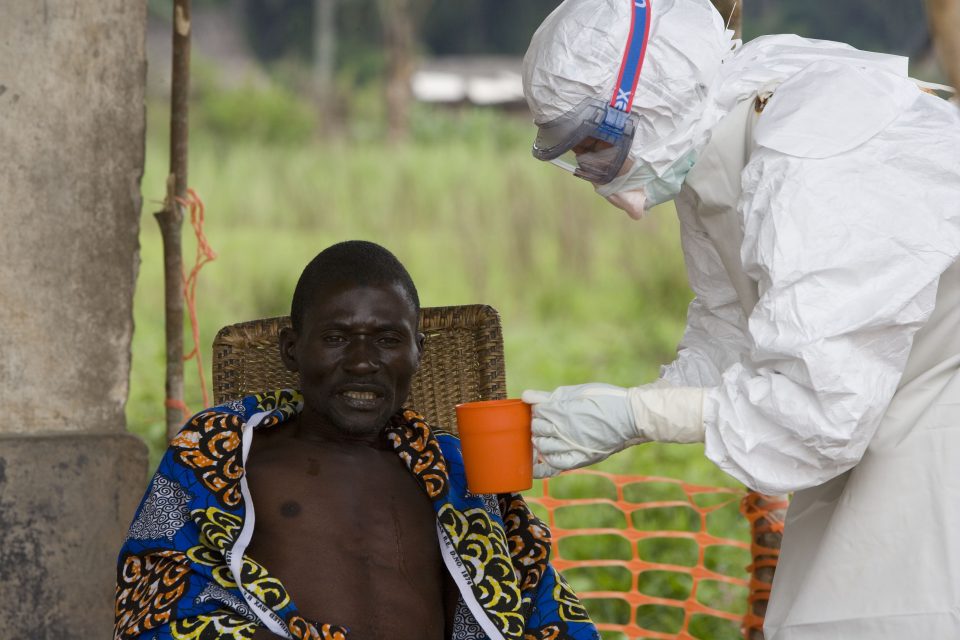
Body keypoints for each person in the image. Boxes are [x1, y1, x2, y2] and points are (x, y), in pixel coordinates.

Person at [520, 0, 960, 638]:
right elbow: (735, 335)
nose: (594, 174)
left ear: (648, 99)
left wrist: (636, 414)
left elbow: (819, 410)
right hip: (888, 426)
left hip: (931, 434)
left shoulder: (813, 153)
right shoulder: (725, 145)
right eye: (573, 154)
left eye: (596, 145)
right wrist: (626, 411)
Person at [114, 240, 599, 640]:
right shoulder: (224, 458)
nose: (363, 361)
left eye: (388, 339)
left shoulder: (459, 475)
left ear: (418, 352)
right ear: (291, 350)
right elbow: (156, 595)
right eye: (336, 338)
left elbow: (532, 597)